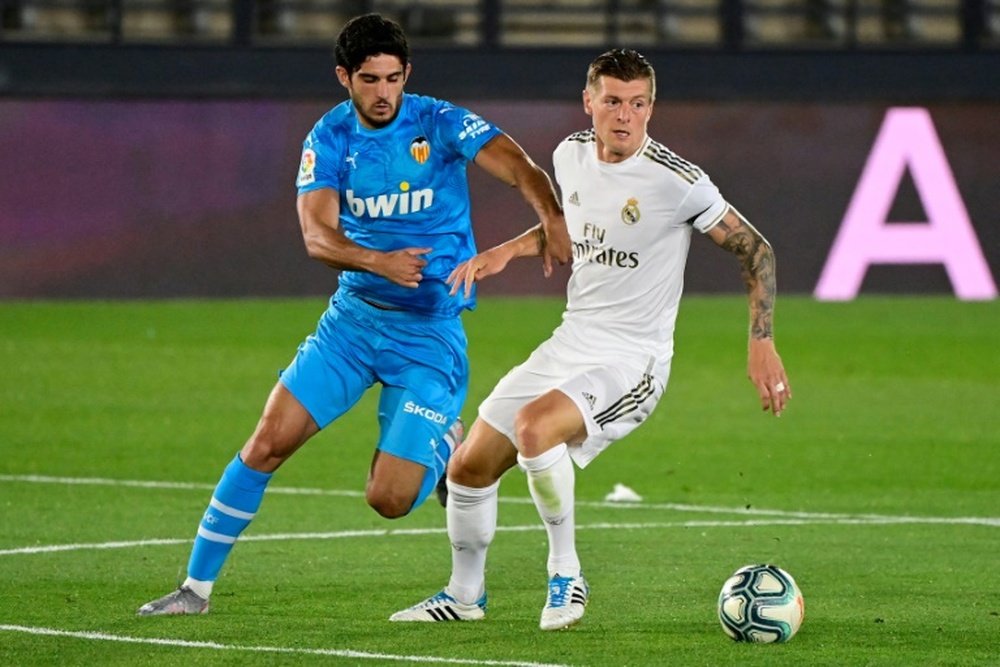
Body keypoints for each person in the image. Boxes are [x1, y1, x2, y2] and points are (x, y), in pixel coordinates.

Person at [137, 13, 570, 616]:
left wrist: (550, 217)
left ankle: (443, 441)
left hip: (428, 335)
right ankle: (194, 589)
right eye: (370, 79)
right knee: (266, 443)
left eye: (394, 77)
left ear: (407, 74)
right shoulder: (329, 139)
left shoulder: (438, 122)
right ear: (345, 77)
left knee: (389, 500)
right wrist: (379, 262)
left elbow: (518, 164)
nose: (384, 91)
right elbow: (316, 237)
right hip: (353, 323)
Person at [390, 48, 791, 631]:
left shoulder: (678, 183)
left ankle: (566, 575)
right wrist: (508, 250)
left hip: (633, 360)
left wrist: (762, 340)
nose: (624, 116)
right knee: (468, 468)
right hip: (572, 340)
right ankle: (464, 595)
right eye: (612, 102)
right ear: (589, 103)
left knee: (534, 428)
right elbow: (572, 229)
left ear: (652, 108)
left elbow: (756, 249)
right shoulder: (569, 156)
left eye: (637, 104)